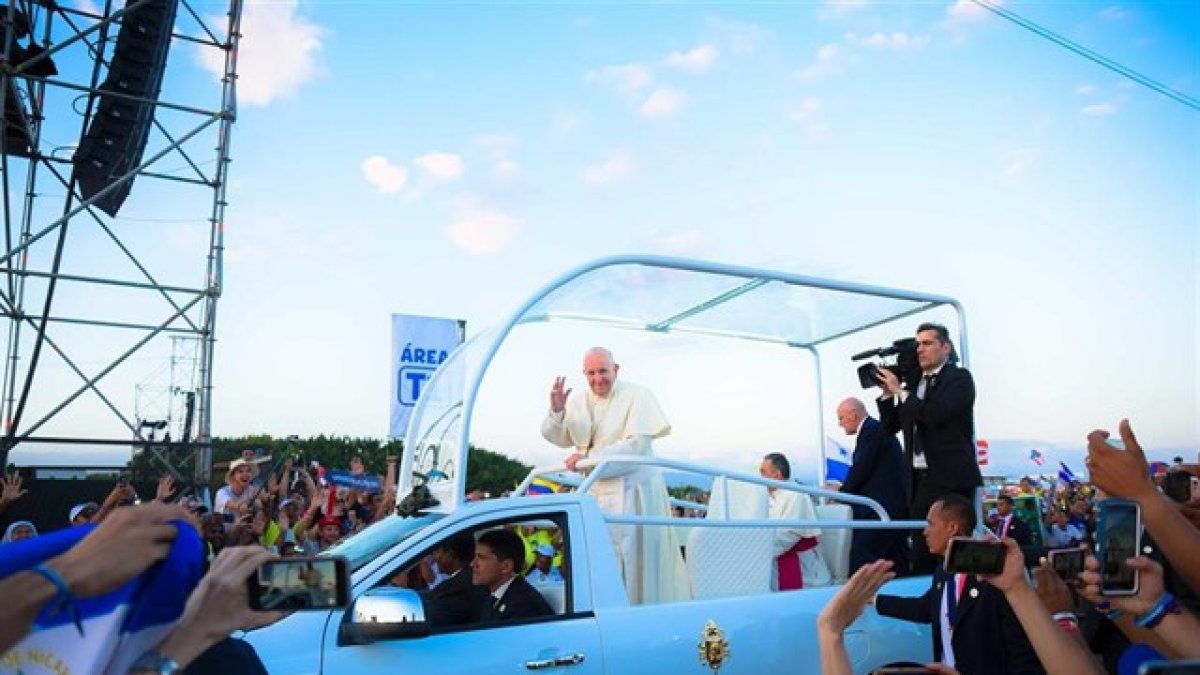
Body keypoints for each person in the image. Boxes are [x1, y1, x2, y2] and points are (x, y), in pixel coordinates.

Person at [540, 346, 689, 604]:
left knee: (638, 564)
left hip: (634, 491)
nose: (598, 379)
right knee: (603, 561)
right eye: (591, 373)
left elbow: (636, 446)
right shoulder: (579, 401)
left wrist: (588, 460)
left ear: (615, 369)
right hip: (598, 492)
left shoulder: (638, 395)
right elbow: (559, 437)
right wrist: (557, 412)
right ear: (584, 374)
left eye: (603, 371)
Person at [874, 493, 1043, 675]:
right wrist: (874, 599)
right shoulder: (943, 573)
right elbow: (925, 608)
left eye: (931, 524)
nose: (925, 531)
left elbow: (1021, 654)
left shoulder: (995, 578)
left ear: (952, 528)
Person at [876, 322, 981, 574]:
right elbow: (890, 427)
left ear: (946, 348)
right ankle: (930, 605)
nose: (920, 350)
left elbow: (934, 415)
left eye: (927, 343)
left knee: (954, 553)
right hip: (918, 482)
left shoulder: (959, 378)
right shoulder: (912, 386)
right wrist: (887, 395)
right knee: (922, 553)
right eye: (917, 345)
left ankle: (960, 604)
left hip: (950, 480)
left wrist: (900, 392)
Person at [833, 397, 910, 575]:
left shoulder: (871, 430)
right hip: (889, 508)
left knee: (863, 560)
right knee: (895, 561)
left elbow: (861, 467)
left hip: (879, 509)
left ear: (853, 415)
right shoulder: (874, 429)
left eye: (841, 418)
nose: (839, 424)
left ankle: (860, 599)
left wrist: (841, 494)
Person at [759, 453, 831, 589]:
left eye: (763, 472)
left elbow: (788, 536)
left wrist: (757, 551)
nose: (760, 477)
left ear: (777, 475)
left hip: (804, 569)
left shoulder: (796, 494)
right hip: (773, 557)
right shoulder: (766, 499)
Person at [472, 529, 553, 622]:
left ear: (505, 566)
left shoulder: (524, 608)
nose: (472, 564)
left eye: (481, 557)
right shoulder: (497, 595)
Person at [420, 532, 488, 628]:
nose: (435, 558)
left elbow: (432, 618)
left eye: (438, 552)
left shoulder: (458, 588)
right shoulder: (465, 580)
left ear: (451, 555)